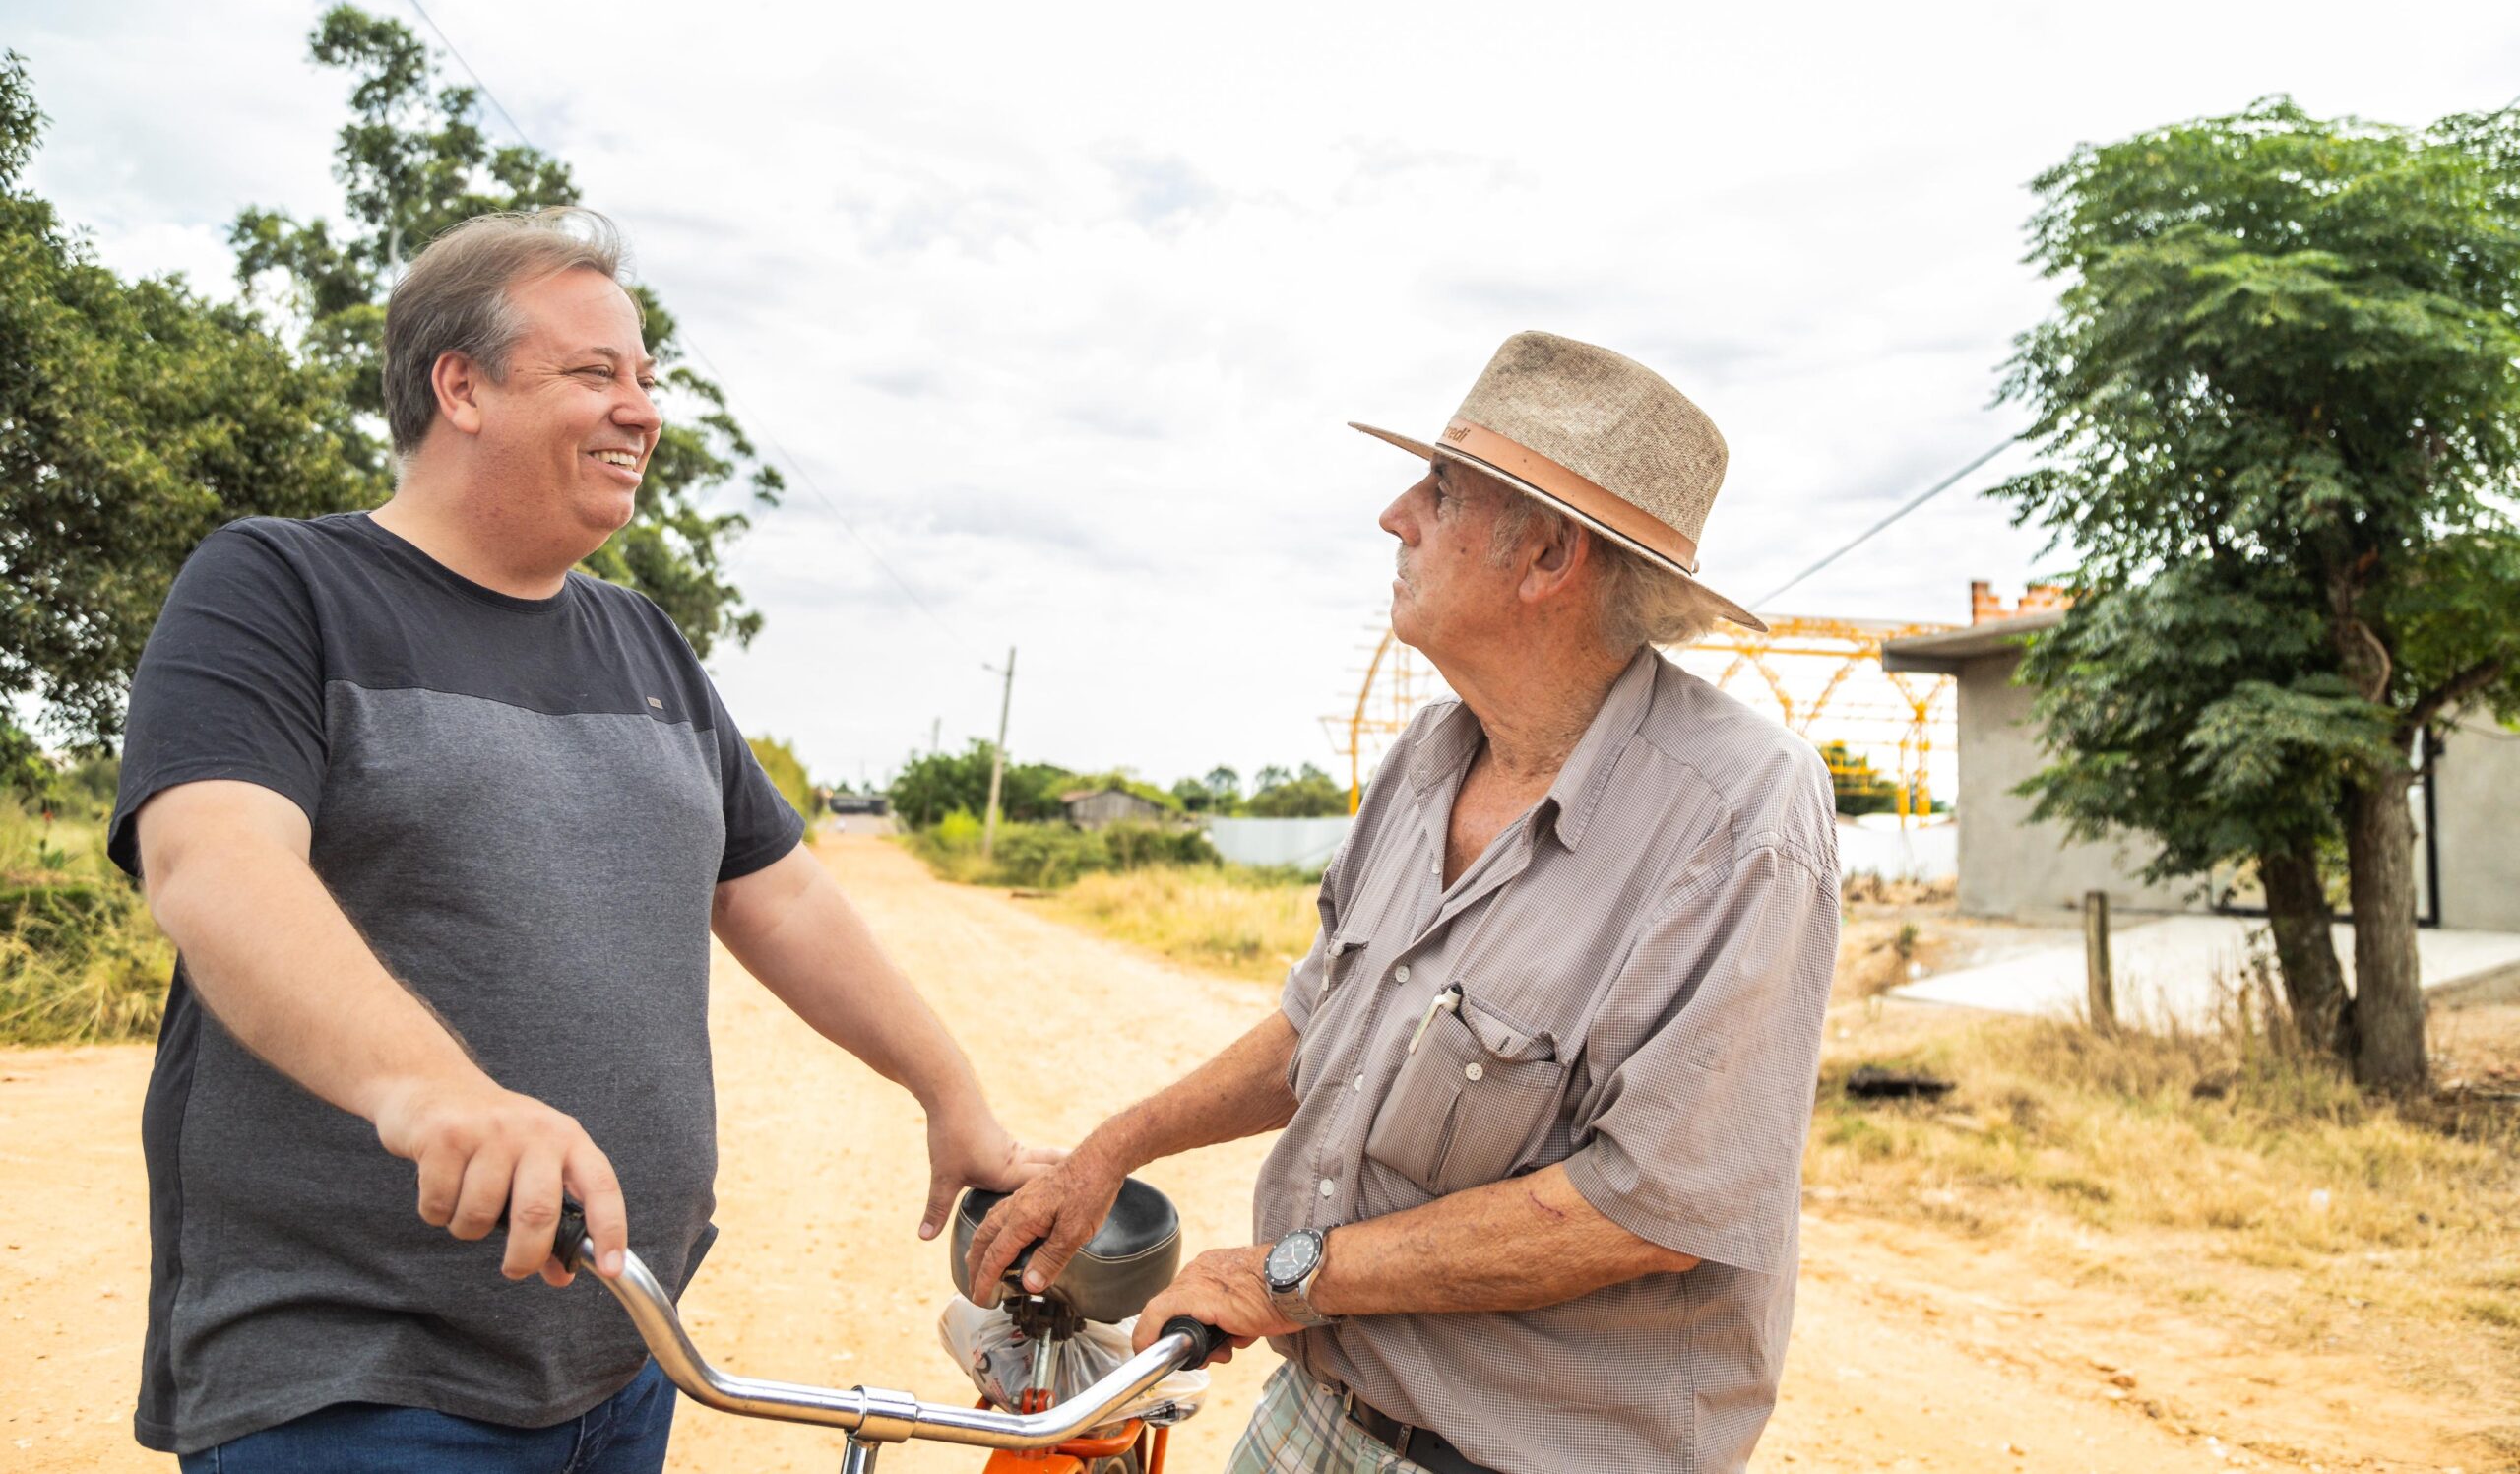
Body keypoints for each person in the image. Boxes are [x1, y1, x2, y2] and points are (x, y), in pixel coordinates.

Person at [110, 208, 1052, 1471]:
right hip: (354, 1383)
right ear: (463, 387)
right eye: (595, 373)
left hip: (622, 1358)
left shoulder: (643, 641)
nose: (642, 411)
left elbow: (780, 898)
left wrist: (952, 1096)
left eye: (647, 381)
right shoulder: (279, 587)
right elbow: (214, 861)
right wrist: (435, 1094)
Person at [968, 332, 1840, 1474]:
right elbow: (1320, 1021)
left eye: (1437, 489)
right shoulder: (1432, 752)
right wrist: (1111, 1149)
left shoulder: (1740, 813)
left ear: (1545, 557)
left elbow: (1643, 1208)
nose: (1395, 516)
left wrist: (1285, 1275)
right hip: (1320, 1414)